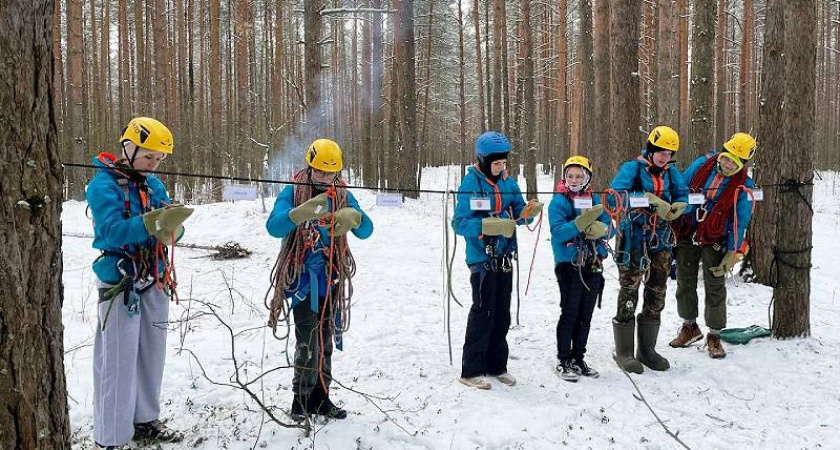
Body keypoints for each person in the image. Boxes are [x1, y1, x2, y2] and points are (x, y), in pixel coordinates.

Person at [87, 117, 191, 449]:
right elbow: (109, 231)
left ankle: (145, 421)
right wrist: (148, 224)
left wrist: (173, 225)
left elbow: (169, 225)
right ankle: (112, 437)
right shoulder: (103, 186)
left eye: (159, 159)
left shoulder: (154, 185)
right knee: (118, 360)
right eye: (149, 157)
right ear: (129, 149)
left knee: (151, 355)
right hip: (121, 281)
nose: (154, 164)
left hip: (154, 278)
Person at [265, 138, 373, 421]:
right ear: (309, 166)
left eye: (331, 174)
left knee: (325, 341)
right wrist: (297, 215)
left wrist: (356, 218)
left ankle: (321, 397)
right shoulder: (293, 191)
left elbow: (367, 230)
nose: (325, 179)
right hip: (302, 280)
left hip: (331, 278)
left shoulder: (342, 194)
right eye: (320, 172)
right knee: (307, 341)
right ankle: (300, 399)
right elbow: (273, 227)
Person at [452, 131, 543, 390]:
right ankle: (471, 369)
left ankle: (496, 365)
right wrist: (485, 226)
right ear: (482, 161)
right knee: (483, 311)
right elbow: (459, 222)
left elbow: (519, 213)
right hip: (481, 258)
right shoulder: (471, 184)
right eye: (496, 163)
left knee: (502, 313)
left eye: (504, 163)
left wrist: (529, 212)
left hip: (504, 255)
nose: (501, 167)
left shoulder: (508, 183)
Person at [669, 133, 757, 359]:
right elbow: (682, 188)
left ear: (742, 164)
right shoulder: (702, 164)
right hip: (688, 231)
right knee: (684, 279)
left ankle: (715, 334)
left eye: (734, 162)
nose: (726, 164)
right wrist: (678, 208)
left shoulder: (744, 186)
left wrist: (734, 249)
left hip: (716, 237)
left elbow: (740, 219)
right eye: (726, 158)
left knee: (715, 284)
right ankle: (690, 327)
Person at [609, 125, 688, 374]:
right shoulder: (632, 169)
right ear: (651, 150)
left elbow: (683, 193)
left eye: (669, 154)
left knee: (658, 288)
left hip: (661, 237)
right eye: (661, 152)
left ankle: (647, 349)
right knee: (630, 286)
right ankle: (624, 350)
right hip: (634, 235)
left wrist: (679, 205)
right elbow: (613, 197)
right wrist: (648, 200)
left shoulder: (672, 173)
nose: (665, 158)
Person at [549, 156, 611, 382]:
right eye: (570, 176)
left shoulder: (593, 199)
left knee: (586, 314)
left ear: (587, 177)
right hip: (569, 264)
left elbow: (609, 227)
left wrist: (600, 230)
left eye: (579, 176)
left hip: (592, 263)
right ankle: (564, 359)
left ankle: (578, 357)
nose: (574, 180)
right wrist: (580, 225)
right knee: (570, 312)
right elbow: (558, 232)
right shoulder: (559, 201)